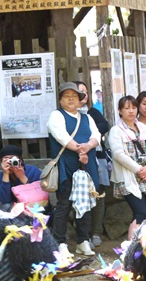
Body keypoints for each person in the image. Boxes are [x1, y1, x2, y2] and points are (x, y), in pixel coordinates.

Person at [47, 82, 101, 256]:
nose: (70, 99)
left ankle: (82, 240)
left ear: (80, 100)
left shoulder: (87, 118)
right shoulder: (56, 115)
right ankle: (60, 242)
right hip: (66, 164)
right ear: (61, 100)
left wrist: (87, 146)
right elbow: (61, 136)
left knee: (84, 204)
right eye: (66, 96)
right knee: (64, 203)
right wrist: (80, 149)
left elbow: (97, 136)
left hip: (86, 165)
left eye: (74, 96)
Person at [108, 95, 146, 240]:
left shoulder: (143, 128)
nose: (131, 111)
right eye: (127, 108)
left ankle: (141, 246)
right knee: (140, 212)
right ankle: (131, 248)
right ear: (120, 111)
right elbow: (118, 154)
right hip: (128, 176)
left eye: (134, 107)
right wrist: (138, 169)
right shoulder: (116, 131)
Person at [75, 81, 110, 247]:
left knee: (98, 195)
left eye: (86, 92)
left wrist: (90, 136)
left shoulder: (92, 112)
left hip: (96, 156)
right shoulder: (65, 115)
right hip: (77, 157)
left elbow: (105, 125)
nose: (84, 95)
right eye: (80, 91)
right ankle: (83, 235)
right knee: (80, 196)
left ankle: (96, 232)